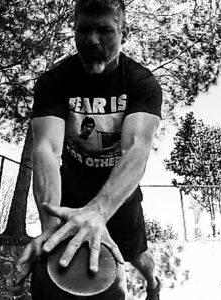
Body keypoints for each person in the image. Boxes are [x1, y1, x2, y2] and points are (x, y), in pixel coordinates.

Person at [17, 0, 162, 299]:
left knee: (137, 256)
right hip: (71, 191)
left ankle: (154, 282)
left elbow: (137, 149)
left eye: (104, 30)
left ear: (124, 31)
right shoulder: (54, 81)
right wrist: (50, 226)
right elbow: (46, 149)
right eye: (83, 29)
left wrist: (99, 211)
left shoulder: (141, 82)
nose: (92, 39)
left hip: (119, 194)